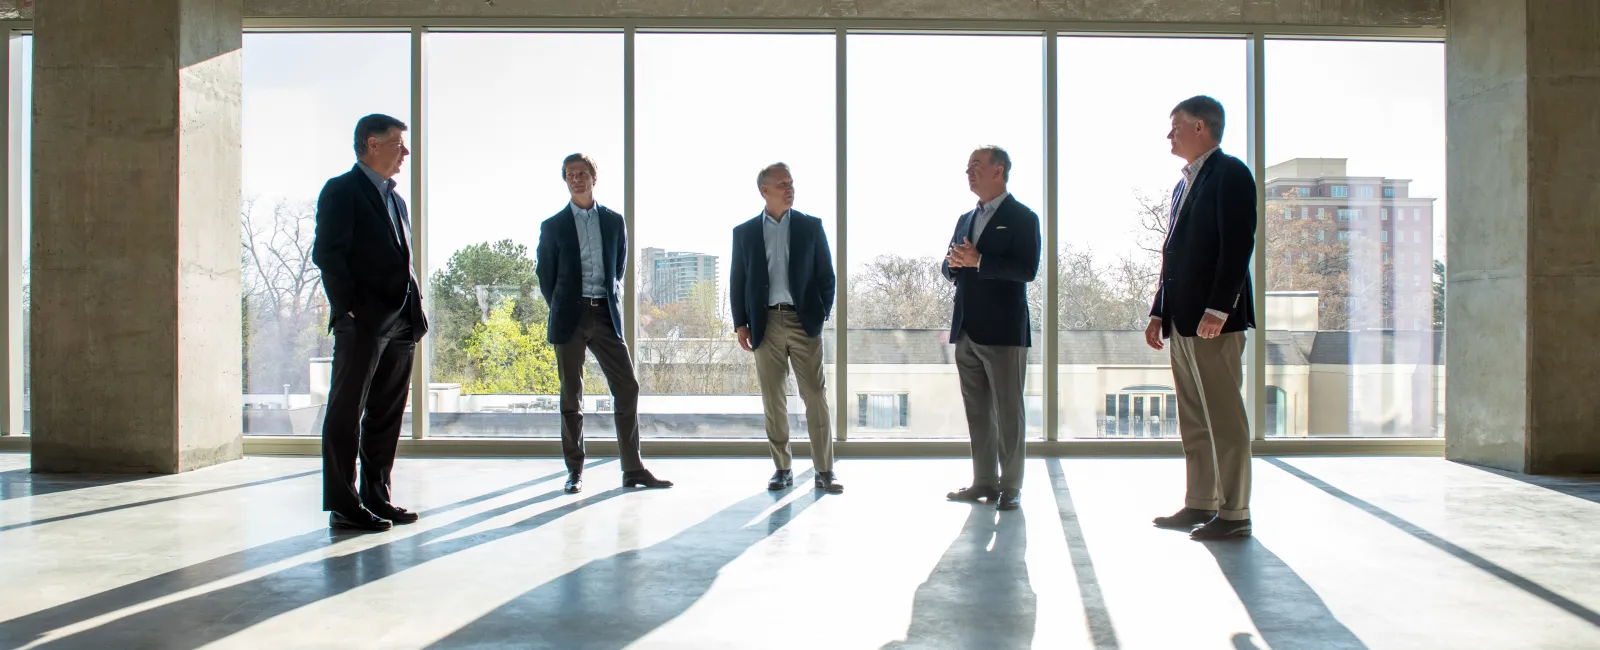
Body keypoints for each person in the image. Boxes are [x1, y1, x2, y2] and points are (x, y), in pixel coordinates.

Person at [1145, 95, 1257, 541]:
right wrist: (1159, 311)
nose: (1168, 136)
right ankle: (1200, 503)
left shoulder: (1230, 174)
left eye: (1175, 127)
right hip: (1182, 319)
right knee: (1194, 417)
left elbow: (1237, 245)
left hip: (1215, 320)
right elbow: (1170, 255)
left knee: (1224, 419)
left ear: (1200, 127)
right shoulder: (1182, 185)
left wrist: (1219, 307)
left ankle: (1235, 514)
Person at [312, 114, 430, 532]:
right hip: (362, 322)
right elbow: (327, 253)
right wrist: (348, 310)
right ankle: (344, 506)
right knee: (347, 411)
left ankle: (376, 498)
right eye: (399, 143)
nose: (406, 152)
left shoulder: (395, 200)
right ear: (372, 144)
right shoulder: (342, 191)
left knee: (386, 413)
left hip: (402, 322)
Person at [536, 153, 672, 494]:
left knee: (627, 388)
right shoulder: (552, 226)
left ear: (594, 178)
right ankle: (575, 471)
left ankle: (633, 469)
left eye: (582, 173)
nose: (576, 179)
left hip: (605, 314)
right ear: (565, 180)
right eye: (570, 174)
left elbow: (619, 268)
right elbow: (545, 275)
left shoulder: (614, 222)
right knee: (572, 396)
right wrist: (564, 306)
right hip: (570, 316)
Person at [730, 163, 842, 493]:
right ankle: (782, 468)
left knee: (815, 397)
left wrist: (820, 315)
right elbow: (738, 281)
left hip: (803, 321)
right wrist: (740, 323)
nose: (789, 188)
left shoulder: (811, 227)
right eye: (782, 184)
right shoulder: (744, 233)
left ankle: (825, 470)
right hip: (764, 323)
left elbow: (827, 277)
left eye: (791, 182)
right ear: (765, 191)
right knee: (773, 399)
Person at [941, 146, 1041, 512]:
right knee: (978, 411)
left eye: (976, 166)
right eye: (967, 167)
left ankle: (1010, 486)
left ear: (999, 171)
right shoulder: (965, 218)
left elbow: (1027, 269)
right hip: (966, 328)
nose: (969, 172)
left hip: (1004, 332)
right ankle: (983, 482)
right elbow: (949, 264)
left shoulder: (1023, 218)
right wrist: (953, 264)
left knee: (1008, 413)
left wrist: (980, 260)